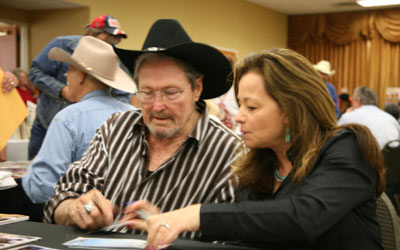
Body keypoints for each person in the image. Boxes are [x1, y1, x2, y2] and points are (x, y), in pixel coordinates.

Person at [127, 48, 387, 250]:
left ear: (291, 109)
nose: (239, 116)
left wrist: (194, 215)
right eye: (240, 105)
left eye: (251, 107)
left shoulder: (346, 146)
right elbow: (245, 232)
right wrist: (166, 220)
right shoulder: (260, 164)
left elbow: (302, 217)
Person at [43, 19, 242, 237]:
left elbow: (230, 241)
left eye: (171, 92)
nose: (157, 106)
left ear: (197, 89)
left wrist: (170, 230)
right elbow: (60, 200)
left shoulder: (229, 152)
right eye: (146, 92)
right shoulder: (115, 129)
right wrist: (76, 210)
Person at [0, 36, 135, 221]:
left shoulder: (69, 119)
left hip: (83, 219)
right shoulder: (134, 114)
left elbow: (41, 189)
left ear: (81, 77)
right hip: (128, 218)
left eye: (69, 73)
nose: (66, 79)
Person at [28, 14, 130, 160]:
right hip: (46, 125)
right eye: (106, 40)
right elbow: (35, 72)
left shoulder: (111, 55)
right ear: (90, 34)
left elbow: (122, 94)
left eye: (114, 43)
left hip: (82, 133)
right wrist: (61, 90)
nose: (109, 47)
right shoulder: (62, 44)